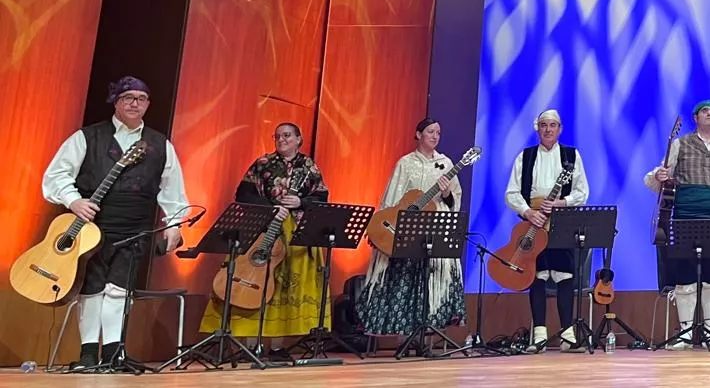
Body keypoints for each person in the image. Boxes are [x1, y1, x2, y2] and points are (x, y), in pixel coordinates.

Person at [41, 77, 190, 371]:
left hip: (135, 226)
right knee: (92, 287)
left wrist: (174, 224)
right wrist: (74, 201)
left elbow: (173, 190)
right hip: (91, 226)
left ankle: (111, 353)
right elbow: (56, 175)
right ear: (116, 102)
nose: (135, 103)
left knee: (119, 289)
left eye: (142, 98)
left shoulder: (161, 145)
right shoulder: (87, 137)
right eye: (128, 98)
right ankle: (86, 354)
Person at [198, 122, 330, 348]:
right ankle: (249, 344)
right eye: (277, 136)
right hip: (263, 227)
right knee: (254, 277)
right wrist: (270, 208)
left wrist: (300, 202)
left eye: (287, 135)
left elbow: (322, 197)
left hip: (296, 233)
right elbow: (243, 193)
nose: (281, 140)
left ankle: (279, 346)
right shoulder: (263, 163)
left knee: (284, 286)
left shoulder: (310, 166)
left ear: (299, 139)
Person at [644, 99, 710, 350]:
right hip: (685, 217)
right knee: (685, 273)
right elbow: (658, 178)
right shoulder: (680, 143)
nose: (709, 114)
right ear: (696, 118)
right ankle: (687, 331)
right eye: (704, 111)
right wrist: (659, 175)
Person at [356, 119, 467, 338]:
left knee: (432, 277)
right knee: (403, 275)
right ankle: (402, 332)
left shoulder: (446, 163)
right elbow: (392, 197)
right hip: (405, 229)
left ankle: (428, 330)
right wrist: (384, 227)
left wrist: (446, 194)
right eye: (430, 132)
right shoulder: (405, 163)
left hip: (432, 230)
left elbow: (455, 198)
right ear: (418, 134)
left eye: (438, 132)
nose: (435, 136)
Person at [504, 109, 590, 352]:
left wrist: (561, 203)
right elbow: (511, 192)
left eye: (553, 125)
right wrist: (528, 211)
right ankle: (539, 335)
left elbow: (582, 192)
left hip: (562, 219)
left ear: (560, 129)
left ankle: (568, 335)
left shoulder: (571, 156)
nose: (548, 129)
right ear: (537, 129)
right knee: (537, 274)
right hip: (532, 222)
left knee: (564, 275)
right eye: (543, 125)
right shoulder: (526, 156)